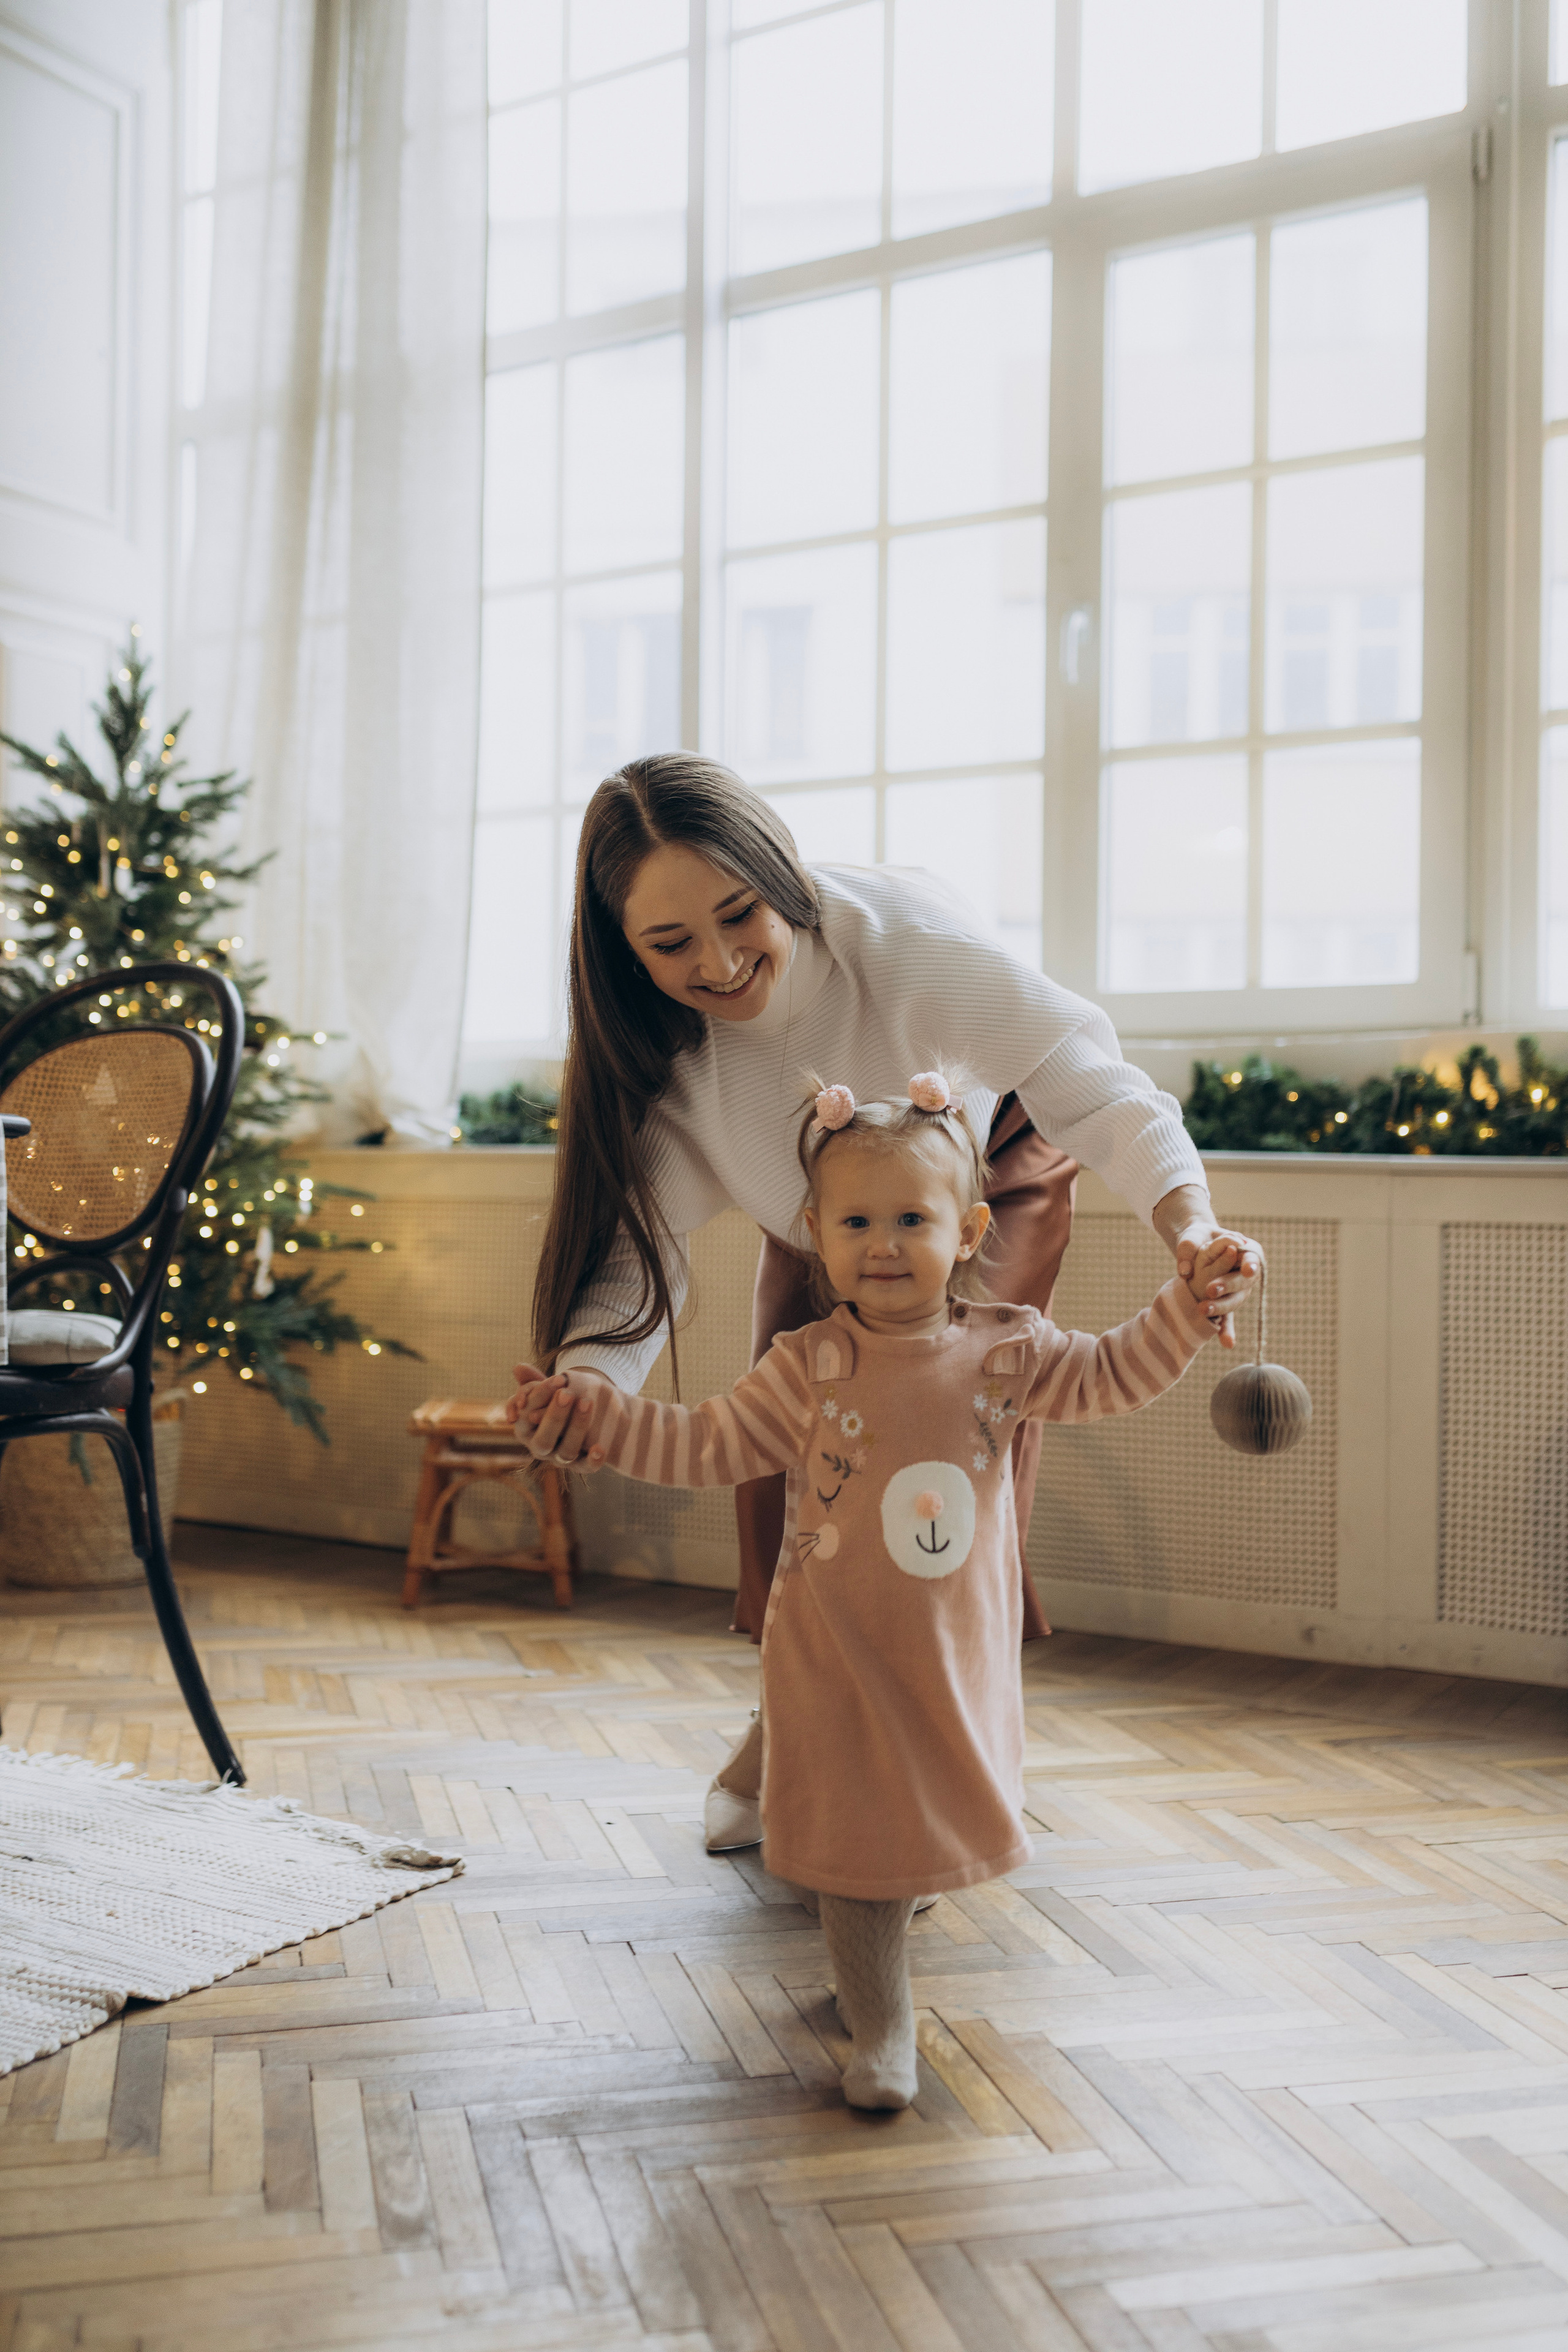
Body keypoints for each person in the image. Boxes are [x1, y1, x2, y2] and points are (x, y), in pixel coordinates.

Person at [517, 753, 1259, 1852]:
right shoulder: (670, 1063)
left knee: (935, 1454)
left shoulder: (907, 948)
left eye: (740, 916)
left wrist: (1189, 1226)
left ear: (783, 875)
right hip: (818, 1203)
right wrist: (589, 1386)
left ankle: (934, 1758)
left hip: (983, 1163)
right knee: (792, 1449)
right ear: (621, 950)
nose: (720, 964)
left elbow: (1097, 1088)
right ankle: (792, 1722)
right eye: (669, 945)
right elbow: (641, 1262)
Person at [513, 1073, 1228, 2109]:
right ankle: (881, 2022)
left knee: (914, 1828)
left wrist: (1190, 1300)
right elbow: (704, 1442)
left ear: (970, 1227)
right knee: (856, 1846)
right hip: (831, 1650)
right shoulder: (809, 1365)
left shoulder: (1008, 1349)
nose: (883, 1243)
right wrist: (596, 1421)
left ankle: (871, 1973)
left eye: (911, 1219)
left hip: (952, 1656)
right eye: (856, 1222)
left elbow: (1118, 1371)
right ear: (814, 1234)